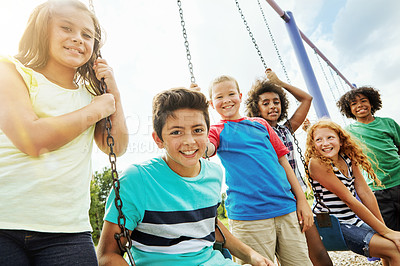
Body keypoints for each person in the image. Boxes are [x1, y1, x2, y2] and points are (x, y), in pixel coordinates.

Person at [0, 0, 128, 265]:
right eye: (66, 28)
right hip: (5, 222)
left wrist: (112, 91)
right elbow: (31, 139)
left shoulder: (93, 95)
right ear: (42, 31)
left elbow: (115, 145)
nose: (77, 39)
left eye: (87, 35)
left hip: (67, 231)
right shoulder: (12, 71)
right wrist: (95, 111)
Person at [97, 88, 274, 266]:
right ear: (158, 139)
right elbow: (107, 256)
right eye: (176, 132)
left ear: (207, 132)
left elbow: (210, 225)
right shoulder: (136, 180)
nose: (189, 141)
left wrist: (252, 256)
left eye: (197, 130)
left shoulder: (214, 173)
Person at [204, 75, 313, 265]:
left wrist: (302, 201)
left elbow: (284, 163)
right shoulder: (216, 130)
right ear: (212, 104)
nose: (227, 100)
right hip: (249, 215)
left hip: (286, 208)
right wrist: (199, 112)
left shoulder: (261, 125)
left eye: (231, 94)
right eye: (219, 97)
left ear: (240, 96)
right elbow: (205, 149)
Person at [245, 70, 332, 266]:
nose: (272, 106)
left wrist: (280, 83)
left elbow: (307, 99)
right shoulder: (252, 131)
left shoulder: (286, 129)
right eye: (265, 103)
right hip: (271, 199)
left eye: (276, 102)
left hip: (295, 197)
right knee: (279, 254)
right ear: (256, 108)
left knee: (317, 252)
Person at [305, 119, 400, 266]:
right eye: (319, 140)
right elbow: (349, 199)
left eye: (330, 137)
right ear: (313, 145)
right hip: (333, 225)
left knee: (392, 244)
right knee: (392, 248)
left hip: (351, 220)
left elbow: (365, 192)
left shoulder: (347, 158)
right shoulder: (317, 163)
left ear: (341, 140)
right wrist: (387, 232)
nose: (325, 143)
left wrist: (384, 229)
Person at [337, 86, 400, 232]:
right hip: (376, 189)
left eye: (363, 101)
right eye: (354, 104)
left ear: (372, 103)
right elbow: (333, 147)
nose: (359, 105)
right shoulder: (348, 132)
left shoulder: (388, 123)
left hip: (398, 180)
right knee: (390, 230)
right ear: (349, 110)